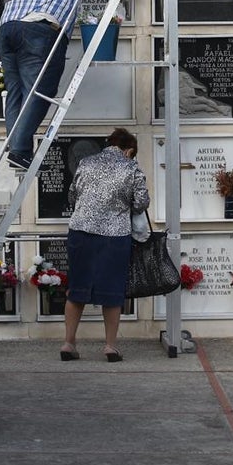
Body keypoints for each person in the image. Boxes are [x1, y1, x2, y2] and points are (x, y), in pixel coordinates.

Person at [0, 0, 136, 170]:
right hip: (38, 30)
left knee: (16, 91)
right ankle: (20, 151)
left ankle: (15, 148)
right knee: (41, 89)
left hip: (8, 27)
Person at [62, 127, 150, 362]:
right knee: (112, 292)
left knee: (77, 289)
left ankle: (69, 343)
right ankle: (110, 346)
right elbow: (141, 202)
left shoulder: (86, 162)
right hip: (114, 236)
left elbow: (72, 196)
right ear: (129, 150)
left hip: (80, 231)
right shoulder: (130, 166)